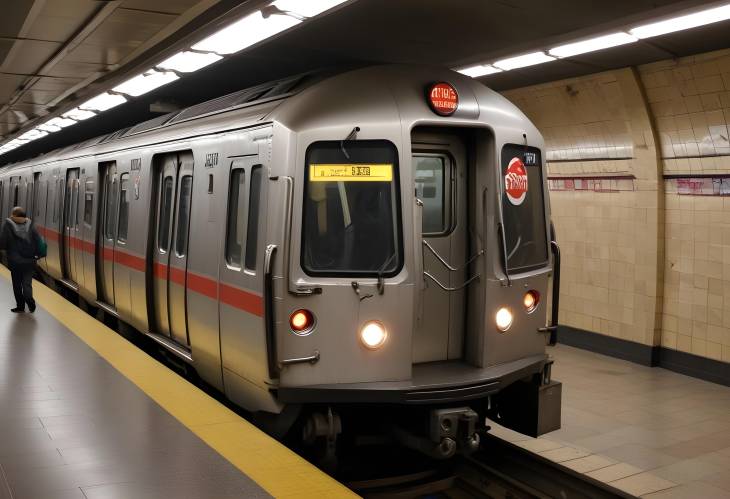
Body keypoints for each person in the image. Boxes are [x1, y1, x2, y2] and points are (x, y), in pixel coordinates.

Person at [0, 206, 42, 313]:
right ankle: (30, 302)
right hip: (29, 262)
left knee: (17, 285)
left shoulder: (8, 225)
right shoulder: (31, 225)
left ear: (13, 215)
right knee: (27, 284)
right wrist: (38, 254)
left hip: (15, 262)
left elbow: (3, 242)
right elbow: (38, 241)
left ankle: (20, 306)